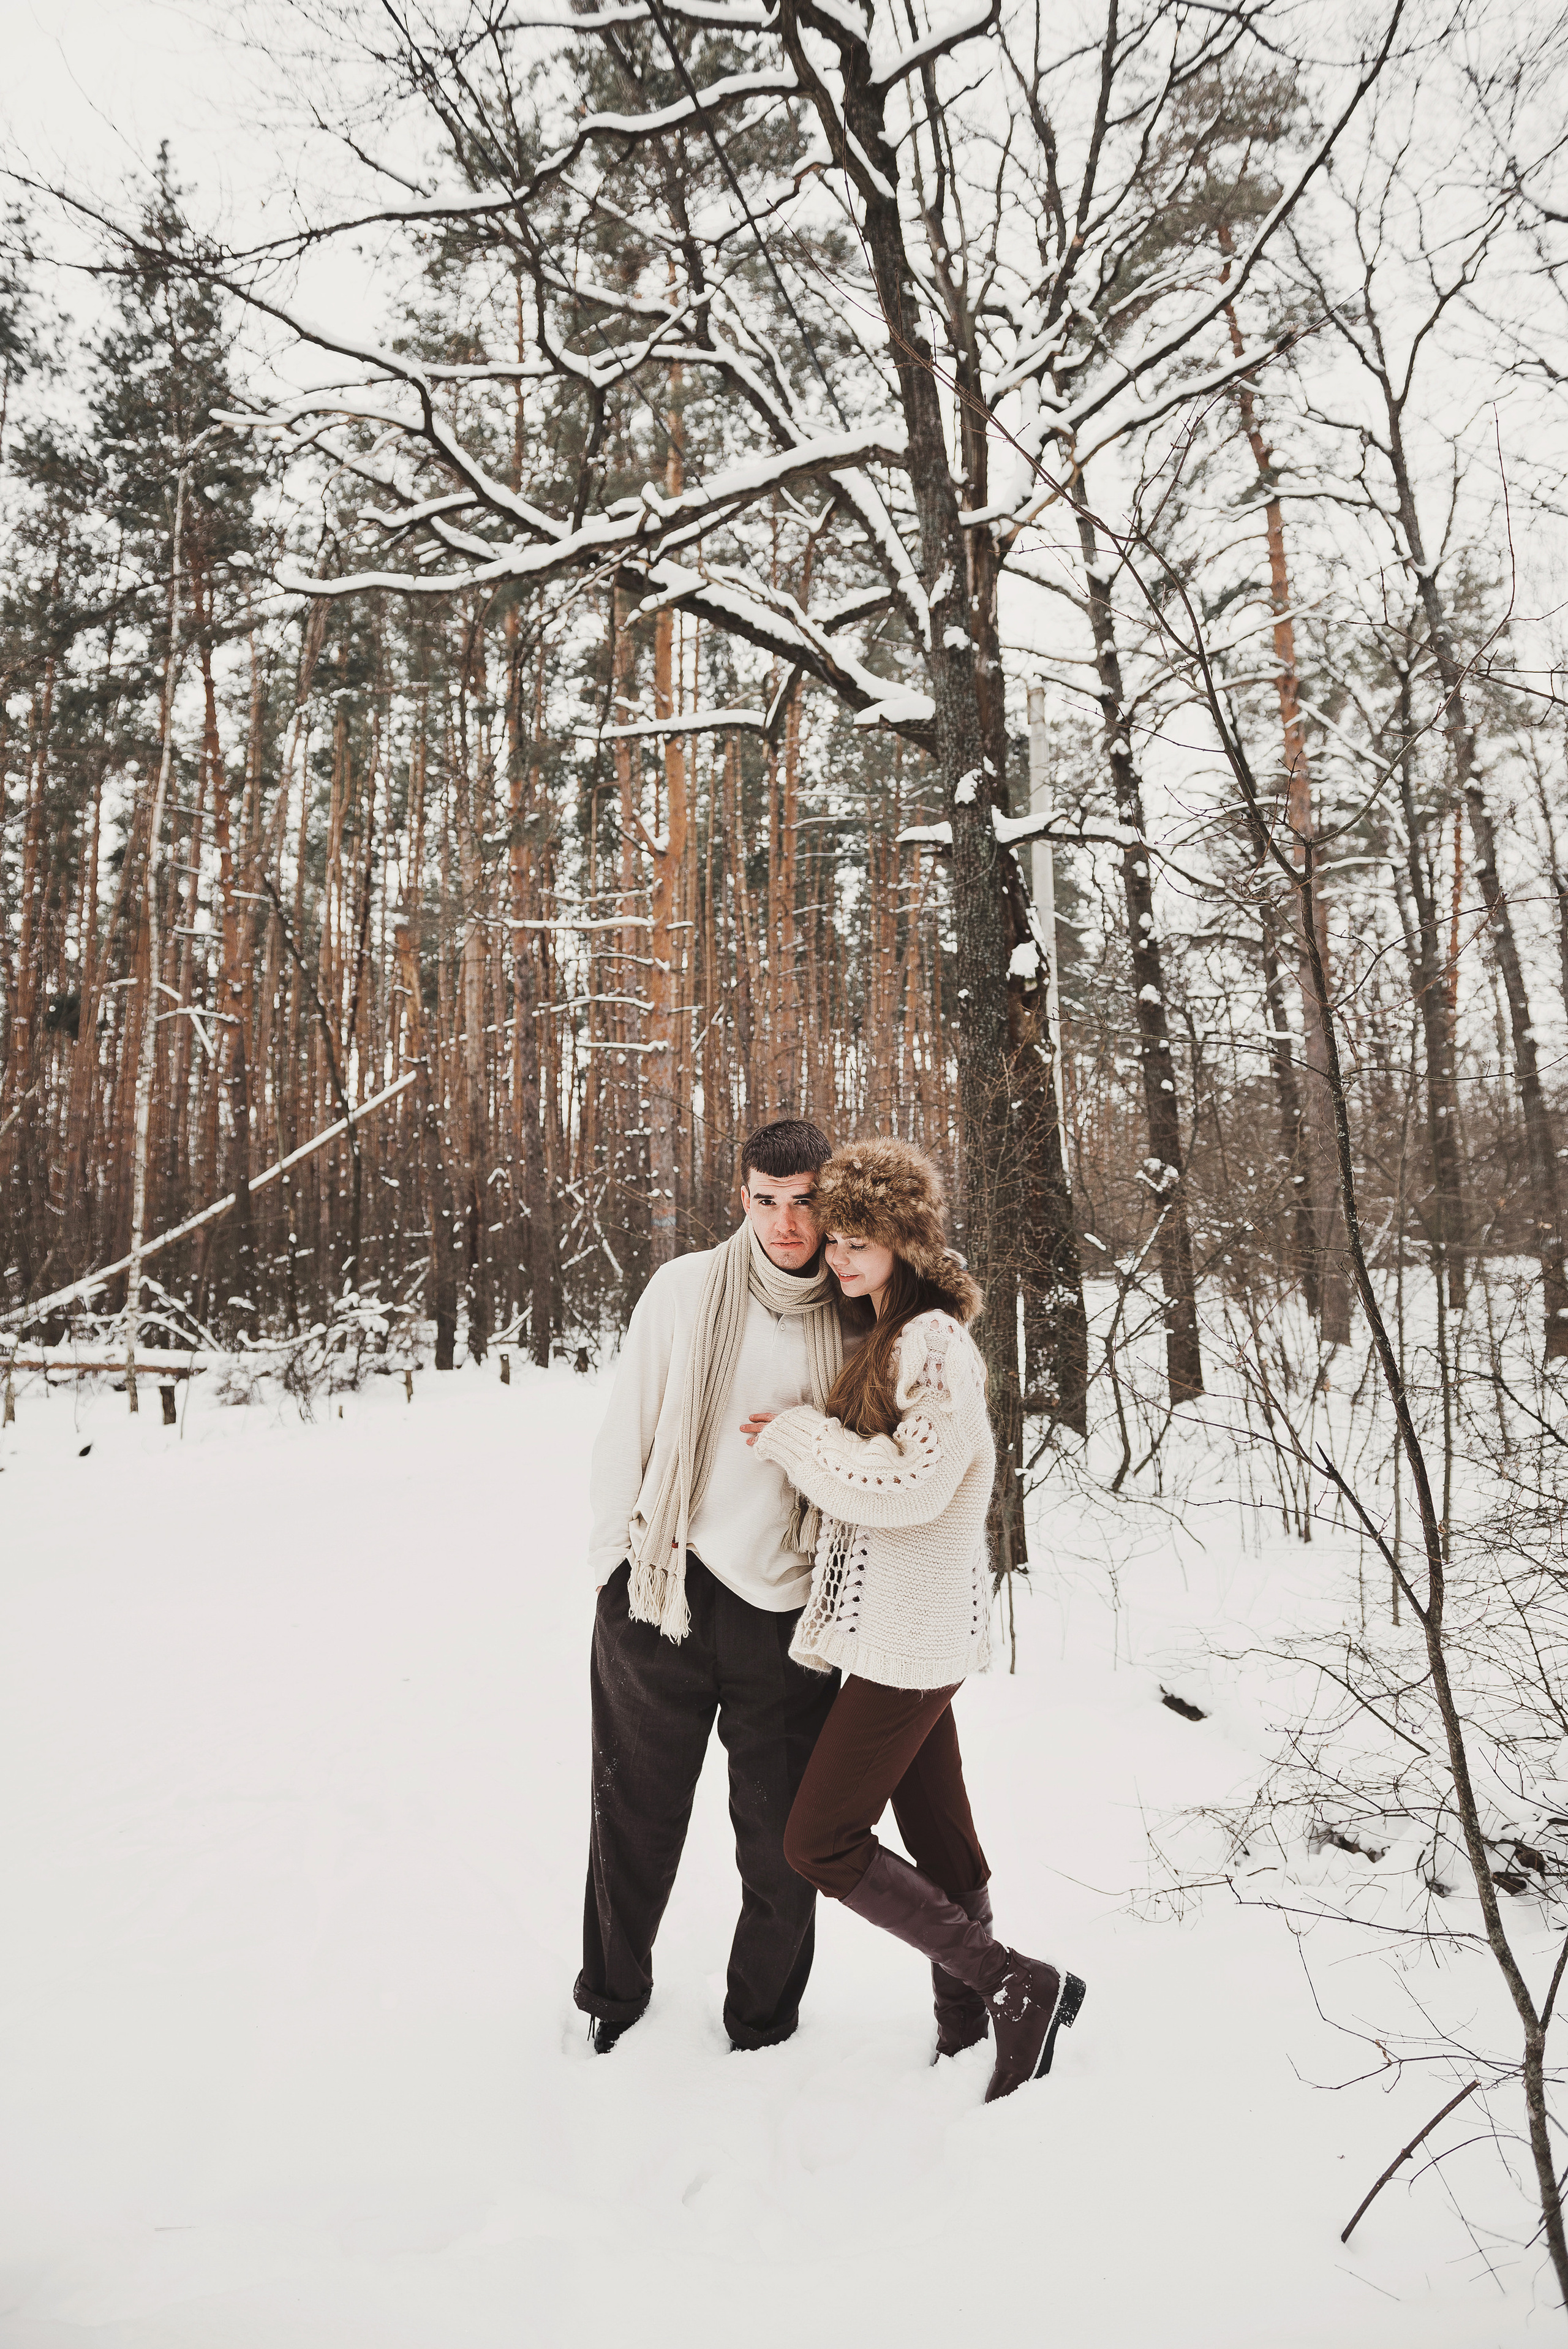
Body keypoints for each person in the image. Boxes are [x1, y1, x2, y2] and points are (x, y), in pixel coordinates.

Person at [741, 1137, 1087, 2104]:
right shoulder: (890, 1331)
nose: (842, 1256)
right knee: (942, 1841)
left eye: (863, 1239)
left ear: (908, 1241)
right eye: (837, 1239)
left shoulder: (930, 1340)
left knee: (819, 1839)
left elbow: (913, 1486)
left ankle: (1014, 1982)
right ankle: (966, 2022)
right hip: (906, 1631)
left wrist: (802, 1440)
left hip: (911, 1637)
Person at [576, 1118, 853, 2055]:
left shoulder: (856, 1309)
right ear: (743, 1196)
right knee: (634, 1824)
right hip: (667, 1595)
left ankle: (763, 2028)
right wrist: (618, 1569)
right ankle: (611, 2005)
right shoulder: (686, 1289)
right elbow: (630, 1427)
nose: (787, 1222)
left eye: (806, 1200)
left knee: (785, 1847)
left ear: (830, 1199)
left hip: (789, 1613)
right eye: (768, 1200)